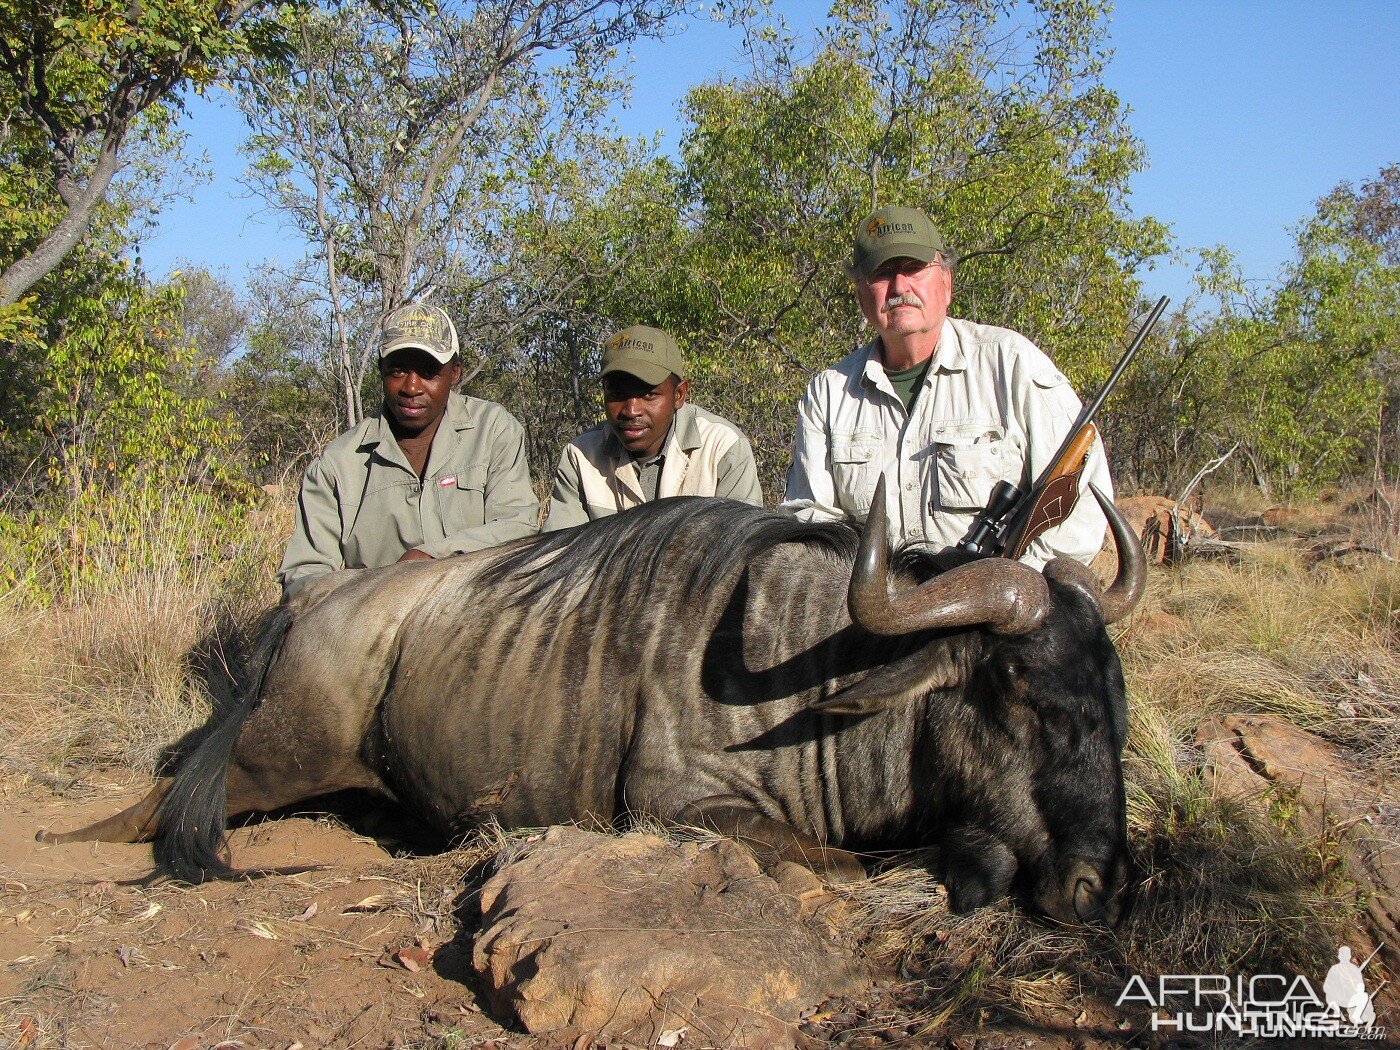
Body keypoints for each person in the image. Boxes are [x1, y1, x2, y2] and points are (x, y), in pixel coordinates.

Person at [782, 205, 1111, 568]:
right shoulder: (827, 394)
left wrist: (1012, 586)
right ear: (861, 295)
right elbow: (809, 521)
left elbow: (1080, 510)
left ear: (947, 282)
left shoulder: (1012, 363)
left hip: (997, 610)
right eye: (882, 273)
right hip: (870, 615)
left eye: (913, 269)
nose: (899, 287)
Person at [277, 303, 538, 600]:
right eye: (399, 370)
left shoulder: (492, 429)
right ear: (382, 371)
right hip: (375, 625)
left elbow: (518, 528)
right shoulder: (338, 464)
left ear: (454, 374)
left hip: (475, 614)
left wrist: (430, 558)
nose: (411, 387)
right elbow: (304, 576)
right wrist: (365, 598)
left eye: (428, 372)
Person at [544, 324, 762, 530]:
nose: (631, 410)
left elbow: (740, 555)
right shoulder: (581, 456)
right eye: (617, 395)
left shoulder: (722, 448)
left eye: (649, 394)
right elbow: (560, 558)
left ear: (679, 395)